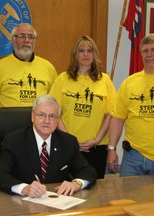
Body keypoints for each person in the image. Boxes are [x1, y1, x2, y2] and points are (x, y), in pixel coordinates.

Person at [0, 94, 97, 197]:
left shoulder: (68, 142)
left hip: (57, 202)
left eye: (52, 116)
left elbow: (87, 170)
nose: (47, 121)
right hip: (22, 203)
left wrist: (76, 183)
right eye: (41, 115)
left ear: (58, 120)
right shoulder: (14, 141)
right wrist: (24, 188)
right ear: (32, 116)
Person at [49, 35, 116, 179]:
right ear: (75, 55)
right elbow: (54, 113)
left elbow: (110, 115)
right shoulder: (62, 78)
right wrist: (69, 140)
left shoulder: (105, 80)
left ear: (94, 54)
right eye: (81, 50)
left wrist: (97, 140)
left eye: (89, 50)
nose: (85, 54)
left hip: (96, 147)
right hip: (67, 146)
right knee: (65, 191)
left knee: (94, 191)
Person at [107, 33, 154, 176]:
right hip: (133, 158)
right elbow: (117, 118)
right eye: (145, 50)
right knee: (128, 198)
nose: (149, 54)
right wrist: (111, 149)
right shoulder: (129, 83)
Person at [0, 23, 57, 108]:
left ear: (34, 41)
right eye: (22, 36)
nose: (27, 40)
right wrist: (4, 111)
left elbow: (54, 98)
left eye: (31, 37)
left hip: (40, 120)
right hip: (10, 120)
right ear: (13, 40)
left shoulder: (47, 67)